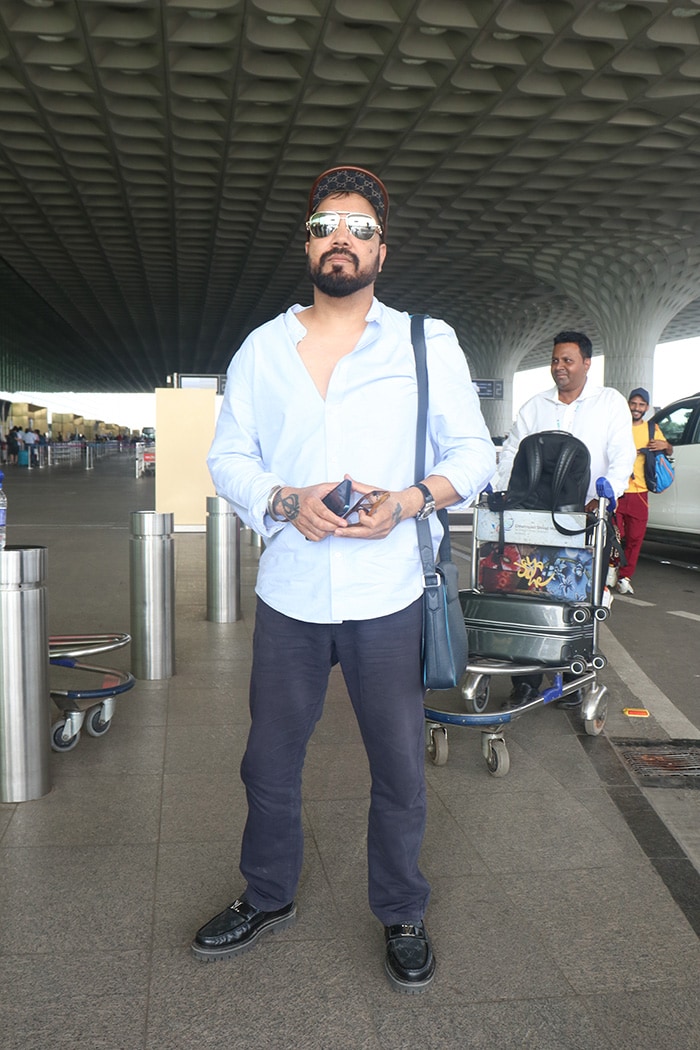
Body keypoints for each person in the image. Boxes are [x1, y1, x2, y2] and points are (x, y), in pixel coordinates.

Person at [195, 165, 496, 992]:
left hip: (387, 594)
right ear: (308, 242)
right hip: (291, 592)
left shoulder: (423, 342)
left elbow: (475, 454)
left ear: (381, 250)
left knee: (398, 765)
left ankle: (401, 910)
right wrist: (284, 498)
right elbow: (229, 456)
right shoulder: (263, 347)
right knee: (268, 761)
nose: (342, 238)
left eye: (360, 227)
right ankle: (267, 895)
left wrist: (407, 500)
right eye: (327, 223)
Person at [493, 331, 636, 707]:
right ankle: (525, 680)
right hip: (534, 519)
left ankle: (571, 676)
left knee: (575, 598)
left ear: (587, 363)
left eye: (568, 361)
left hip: (586, 517)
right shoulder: (535, 406)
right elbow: (511, 452)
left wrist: (608, 492)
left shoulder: (608, 403)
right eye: (555, 360)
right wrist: (506, 491)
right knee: (526, 593)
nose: (559, 367)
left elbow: (623, 452)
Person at [614, 388, 673, 595]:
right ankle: (609, 572)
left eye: (641, 405)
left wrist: (665, 445)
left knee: (635, 538)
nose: (636, 408)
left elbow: (669, 450)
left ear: (646, 408)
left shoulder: (652, 429)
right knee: (613, 536)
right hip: (617, 491)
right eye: (633, 403)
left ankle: (624, 577)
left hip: (640, 493)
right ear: (628, 404)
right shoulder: (618, 426)